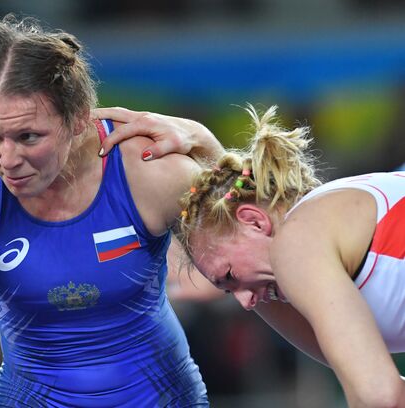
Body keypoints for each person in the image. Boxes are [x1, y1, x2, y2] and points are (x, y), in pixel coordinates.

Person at [0, 14, 221, 407]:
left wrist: (209, 148)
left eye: (28, 136)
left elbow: (258, 249)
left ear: (78, 118)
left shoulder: (151, 171)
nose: (7, 159)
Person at [94, 105, 405, 407]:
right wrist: (205, 145)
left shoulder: (297, 243)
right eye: (228, 290)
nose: (245, 302)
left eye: (230, 276)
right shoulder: (326, 225)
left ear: (255, 221)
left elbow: (380, 397)